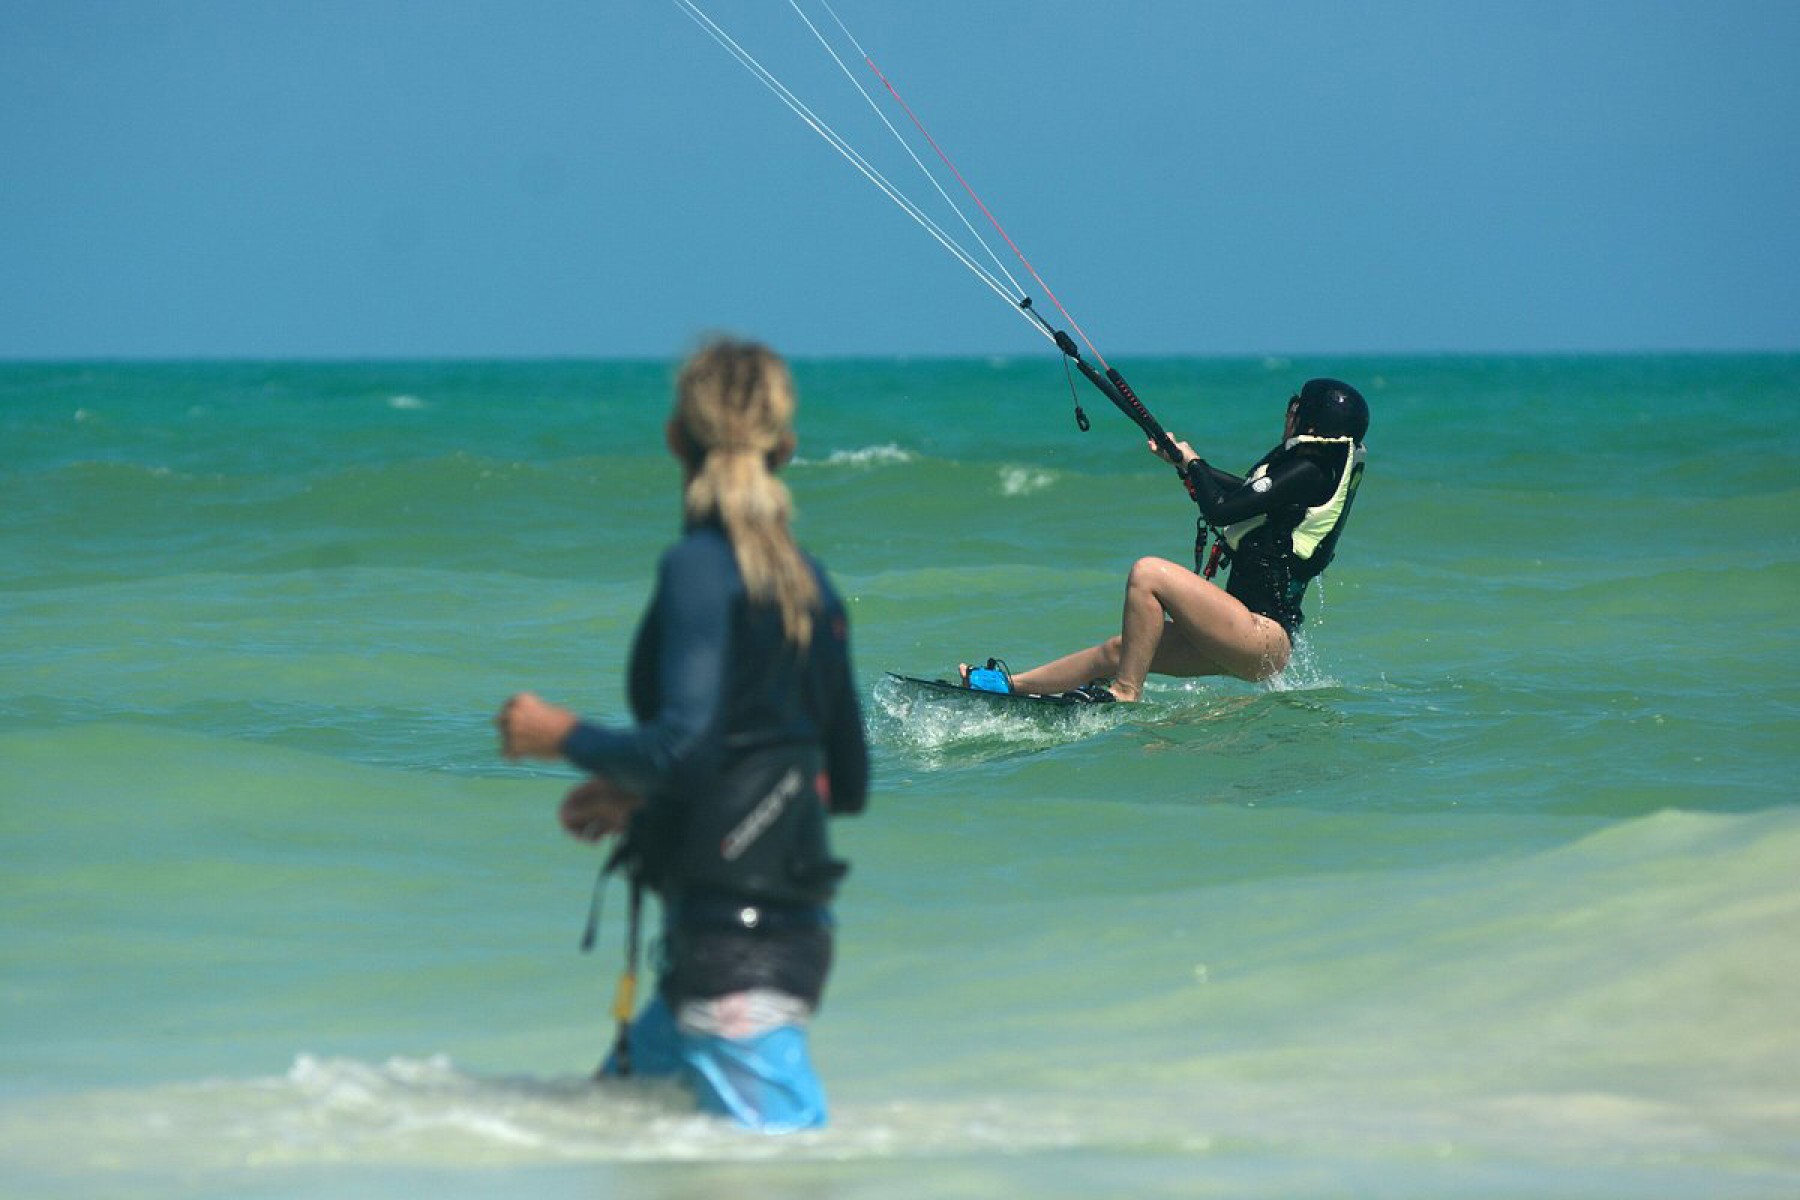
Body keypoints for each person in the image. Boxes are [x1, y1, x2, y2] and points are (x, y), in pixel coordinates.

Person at [495, 336, 869, 1133]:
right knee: (598, 1128)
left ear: (675, 438)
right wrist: (640, 799)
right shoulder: (814, 585)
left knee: (783, 1173)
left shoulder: (698, 569)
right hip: (784, 935)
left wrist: (558, 734)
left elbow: (683, 747)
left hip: (733, 961)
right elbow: (842, 779)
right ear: (786, 447)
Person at [967, 378, 1368, 702]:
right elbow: (1244, 494)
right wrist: (1185, 463)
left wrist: (1194, 463)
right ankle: (1010, 687)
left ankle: (1125, 693)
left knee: (1148, 573)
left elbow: (1221, 510)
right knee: (1121, 650)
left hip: (1259, 635)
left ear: (1310, 423)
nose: (1288, 413)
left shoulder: (1310, 470)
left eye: (1295, 407)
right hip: (1243, 635)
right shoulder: (1313, 470)